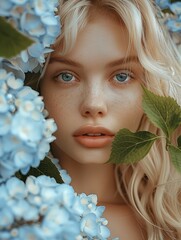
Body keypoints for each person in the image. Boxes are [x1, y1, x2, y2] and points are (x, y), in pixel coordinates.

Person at [38, 0, 181, 239]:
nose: (93, 105)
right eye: (66, 76)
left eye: (122, 76)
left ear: (151, 88)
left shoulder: (173, 222)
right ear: (38, 87)